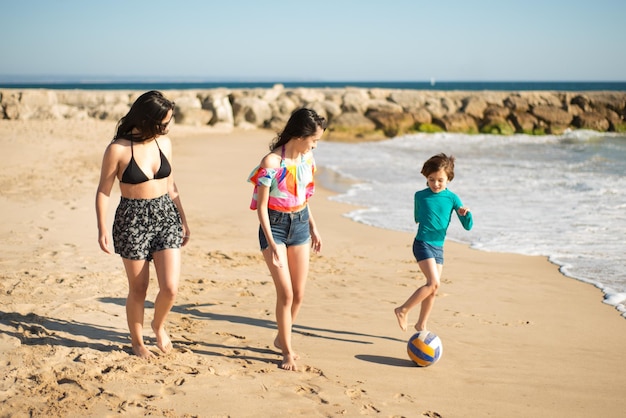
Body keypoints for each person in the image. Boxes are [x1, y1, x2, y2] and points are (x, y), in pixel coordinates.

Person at [95, 90, 190, 358]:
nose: (166, 128)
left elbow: (171, 185)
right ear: (146, 119)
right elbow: (103, 191)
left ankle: (158, 326)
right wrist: (102, 227)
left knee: (170, 287)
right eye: (162, 123)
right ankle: (138, 343)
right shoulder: (118, 149)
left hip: (165, 215)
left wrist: (183, 218)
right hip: (132, 219)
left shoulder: (164, 143)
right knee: (139, 288)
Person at [247, 108, 326, 371]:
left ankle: (282, 339)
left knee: (300, 294)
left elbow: (303, 198)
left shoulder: (308, 159)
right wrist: (272, 244)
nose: (315, 145)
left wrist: (313, 227)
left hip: (301, 224)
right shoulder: (271, 162)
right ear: (301, 135)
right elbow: (261, 208)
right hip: (275, 227)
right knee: (286, 293)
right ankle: (288, 352)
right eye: (314, 139)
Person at [394, 153, 473, 333]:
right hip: (422, 243)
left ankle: (421, 324)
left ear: (448, 179)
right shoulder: (420, 195)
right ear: (426, 178)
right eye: (431, 179)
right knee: (433, 283)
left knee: (433, 289)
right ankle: (402, 310)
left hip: (438, 247)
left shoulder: (453, 199)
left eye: (440, 180)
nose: (436, 184)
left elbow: (468, 226)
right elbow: (417, 217)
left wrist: (465, 214)